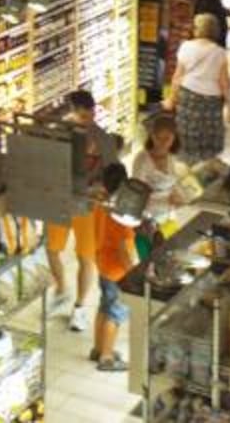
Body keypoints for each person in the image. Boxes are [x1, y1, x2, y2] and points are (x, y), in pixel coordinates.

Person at [44, 90, 108, 331]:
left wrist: (100, 189)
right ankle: (62, 289)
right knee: (51, 249)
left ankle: (80, 307)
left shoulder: (101, 140)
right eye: (75, 116)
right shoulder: (59, 134)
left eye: (84, 116)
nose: (80, 121)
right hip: (60, 200)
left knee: (85, 256)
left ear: (92, 113)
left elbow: (111, 174)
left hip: (87, 205)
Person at [91, 162, 140, 372]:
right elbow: (124, 250)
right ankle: (107, 358)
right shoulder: (122, 216)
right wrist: (133, 274)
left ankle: (98, 348)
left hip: (103, 264)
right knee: (116, 314)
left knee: (104, 307)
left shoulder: (101, 205)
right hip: (118, 272)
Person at [168, 12, 230, 162]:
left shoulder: (186, 47)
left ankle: (187, 165)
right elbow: (224, 82)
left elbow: (177, 76)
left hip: (188, 96)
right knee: (208, 134)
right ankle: (206, 166)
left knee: (187, 131)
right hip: (211, 100)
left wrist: (172, 98)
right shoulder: (219, 52)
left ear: (197, 29)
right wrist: (229, 108)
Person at [130, 112, 192, 251]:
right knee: (150, 257)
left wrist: (180, 197)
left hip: (168, 217)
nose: (163, 143)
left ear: (174, 138)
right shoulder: (142, 160)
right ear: (152, 136)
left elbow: (178, 184)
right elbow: (137, 193)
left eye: (167, 138)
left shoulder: (173, 158)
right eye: (158, 138)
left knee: (170, 252)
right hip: (147, 220)